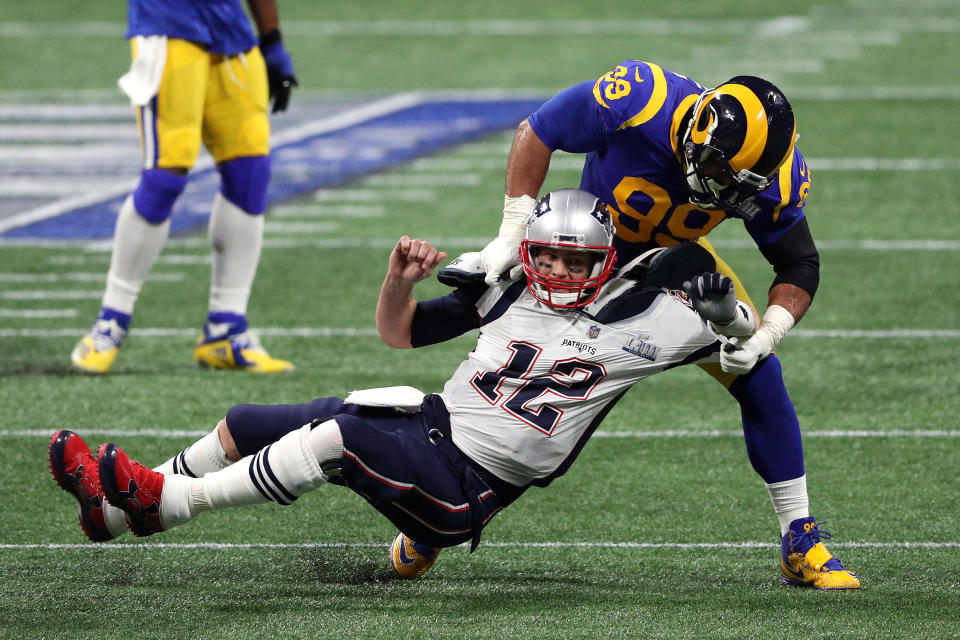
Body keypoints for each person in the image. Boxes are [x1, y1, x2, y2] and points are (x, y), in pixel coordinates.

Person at [49, 189, 859, 590]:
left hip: (468, 488)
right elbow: (400, 333)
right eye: (549, 255)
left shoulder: (658, 320)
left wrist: (731, 320)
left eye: (577, 262)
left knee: (344, 437)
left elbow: (750, 358)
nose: (559, 271)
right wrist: (397, 281)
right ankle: (112, 512)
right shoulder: (506, 289)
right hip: (433, 432)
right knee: (250, 418)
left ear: (606, 263)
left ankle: (160, 503)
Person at [479, 61, 856, 587]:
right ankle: (435, 524)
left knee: (760, 374)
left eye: (740, 183)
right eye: (724, 174)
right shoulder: (642, 99)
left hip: (680, 265)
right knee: (531, 406)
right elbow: (540, 129)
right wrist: (512, 228)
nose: (729, 191)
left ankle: (800, 536)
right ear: (701, 140)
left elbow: (799, 264)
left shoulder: (772, 176)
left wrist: (767, 334)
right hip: (585, 260)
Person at [70, 0, 298, 374]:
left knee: (250, 173)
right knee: (165, 175)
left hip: (232, 33)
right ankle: (110, 322)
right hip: (168, 23)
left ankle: (226, 330)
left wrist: (271, 40)